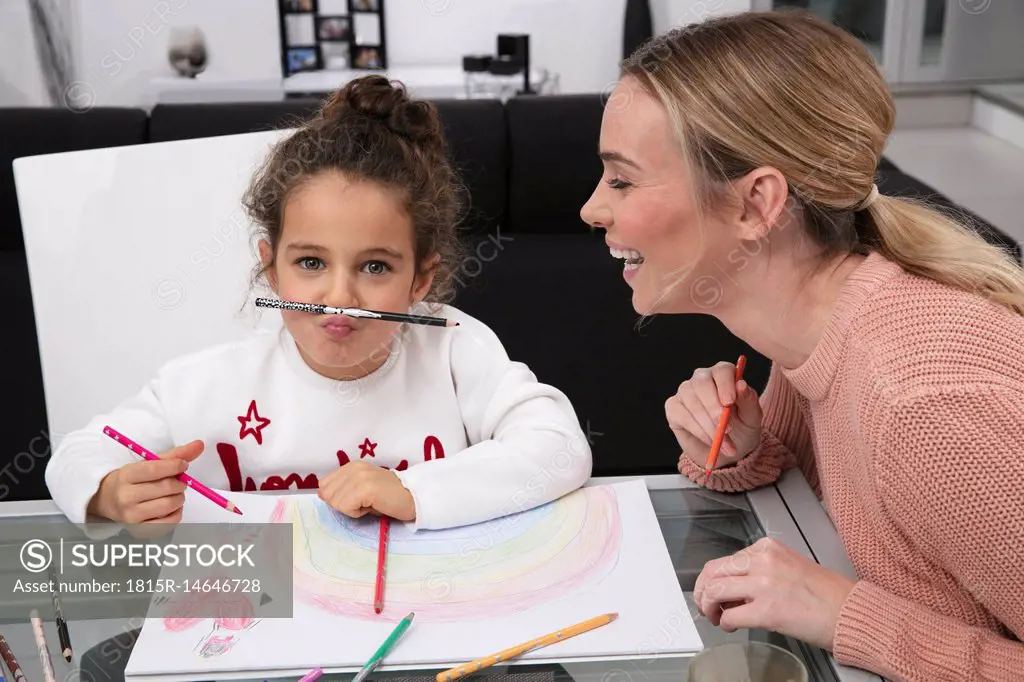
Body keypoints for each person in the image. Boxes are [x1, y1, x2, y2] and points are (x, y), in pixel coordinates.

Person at [581, 10, 1024, 682]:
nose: (592, 209)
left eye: (621, 179)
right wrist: (742, 452)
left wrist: (849, 616)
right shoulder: (816, 323)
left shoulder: (922, 406)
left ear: (755, 205)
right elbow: (831, 500)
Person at [45, 75, 592, 534]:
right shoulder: (205, 383)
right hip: (261, 615)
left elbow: (560, 450)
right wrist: (109, 492)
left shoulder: (454, 349)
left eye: (375, 267)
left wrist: (411, 490)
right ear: (271, 267)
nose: (339, 298)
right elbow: (77, 453)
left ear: (422, 278)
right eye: (310, 263)